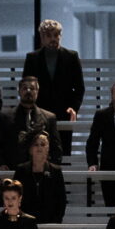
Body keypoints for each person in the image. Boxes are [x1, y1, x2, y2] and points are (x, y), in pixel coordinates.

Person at [23, 19, 86, 154]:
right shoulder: (32, 58)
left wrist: (74, 108)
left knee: (63, 152)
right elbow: (26, 85)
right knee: (39, 151)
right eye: (49, 35)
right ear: (42, 37)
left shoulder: (71, 56)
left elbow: (79, 87)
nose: (53, 39)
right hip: (39, 112)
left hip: (64, 111)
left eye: (56, 35)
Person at [0, 76, 62, 170]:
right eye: (25, 88)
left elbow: (56, 149)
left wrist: (51, 169)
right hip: (12, 172)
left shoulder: (49, 118)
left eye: (32, 88)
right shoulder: (5, 117)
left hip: (41, 173)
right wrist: (0, 165)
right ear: (19, 91)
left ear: (37, 92)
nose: (28, 91)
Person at [13, 130, 69, 225]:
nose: (39, 147)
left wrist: (55, 223)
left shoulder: (56, 171)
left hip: (51, 225)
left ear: (48, 148)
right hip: (25, 224)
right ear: (30, 149)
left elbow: (61, 201)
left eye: (43, 145)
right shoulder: (21, 171)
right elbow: (15, 197)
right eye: (36, 145)